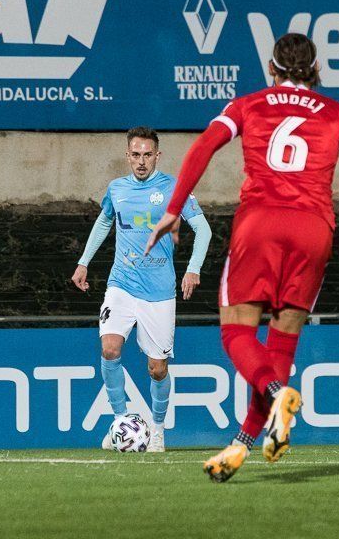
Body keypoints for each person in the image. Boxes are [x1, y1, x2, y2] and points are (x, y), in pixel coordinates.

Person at [146, 33, 339, 481]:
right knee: (280, 345)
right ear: (316, 72)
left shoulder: (249, 104)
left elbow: (202, 147)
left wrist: (173, 209)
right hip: (314, 230)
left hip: (260, 224)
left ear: (271, 69)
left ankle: (278, 394)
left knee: (237, 335)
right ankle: (242, 445)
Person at [72, 127, 212, 452]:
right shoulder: (116, 188)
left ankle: (158, 430)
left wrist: (193, 269)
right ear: (127, 155)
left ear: (157, 156)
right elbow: (105, 221)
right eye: (135, 154)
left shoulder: (173, 188)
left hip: (159, 292)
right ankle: (122, 423)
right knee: (109, 349)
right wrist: (84, 262)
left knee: (157, 368)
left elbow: (203, 230)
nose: (141, 161)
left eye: (147, 155)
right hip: (121, 284)